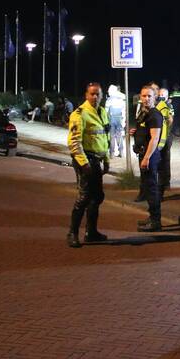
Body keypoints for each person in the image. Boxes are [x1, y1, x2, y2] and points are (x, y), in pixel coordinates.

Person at [65, 83, 111, 248]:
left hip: (96, 159)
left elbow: (105, 138)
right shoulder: (79, 114)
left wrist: (106, 160)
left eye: (98, 94)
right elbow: (74, 142)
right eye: (92, 94)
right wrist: (84, 164)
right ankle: (72, 233)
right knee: (84, 197)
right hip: (85, 159)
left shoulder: (102, 112)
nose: (95, 97)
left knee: (97, 196)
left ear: (102, 96)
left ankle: (91, 232)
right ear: (86, 95)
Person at [133, 85, 164, 232]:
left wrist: (146, 158)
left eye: (149, 96)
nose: (146, 98)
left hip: (149, 156)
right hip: (144, 154)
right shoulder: (144, 113)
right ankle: (152, 217)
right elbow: (144, 131)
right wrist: (136, 132)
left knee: (152, 189)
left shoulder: (154, 115)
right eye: (144, 96)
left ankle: (156, 222)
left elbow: (155, 138)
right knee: (147, 187)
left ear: (154, 97)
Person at [156, 86, 174, 194]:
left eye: (163, 95)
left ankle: (166, 183)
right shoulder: (157, 105)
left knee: (165, 160)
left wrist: (165, 120)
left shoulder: (169, 106)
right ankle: (160, 182)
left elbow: (171, 120)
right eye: (160, 95)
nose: (161, 96)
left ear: (167, 96)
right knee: (158, 160)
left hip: (167, 136)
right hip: (158, 136)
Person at [106, 84, 127, 158]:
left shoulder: (110, 98)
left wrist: (106, 120)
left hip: (112, 118)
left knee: (112, 136)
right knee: (119, 136)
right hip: (120, 118)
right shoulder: (123, 97)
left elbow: (106, 109)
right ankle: (121, 152)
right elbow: (125, 109)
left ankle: (112, 153)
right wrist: (124, 120)